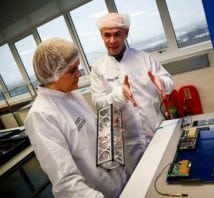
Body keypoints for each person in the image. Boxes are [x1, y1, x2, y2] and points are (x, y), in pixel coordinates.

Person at [24, 37, 126, 198]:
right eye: (72, 71)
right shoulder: (41, 116)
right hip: (97, 192)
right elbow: (66, 184)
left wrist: (108, 129)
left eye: (78, 68)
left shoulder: (72, 95)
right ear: (53, 73)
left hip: (118, 179)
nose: (79, 74)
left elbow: (88, 134)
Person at [90, 13, 174, 175]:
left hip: (155, 130)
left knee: (167, 171)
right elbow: (99, 103)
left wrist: (162, 83)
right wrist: (120, 94)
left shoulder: (143, 58)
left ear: (126, 34)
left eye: (117, 34)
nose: (112, 40)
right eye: (107, 35)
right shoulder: (98, 69)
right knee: (138, 179)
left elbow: (167, 81)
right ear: (101, 35)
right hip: (127, 141)